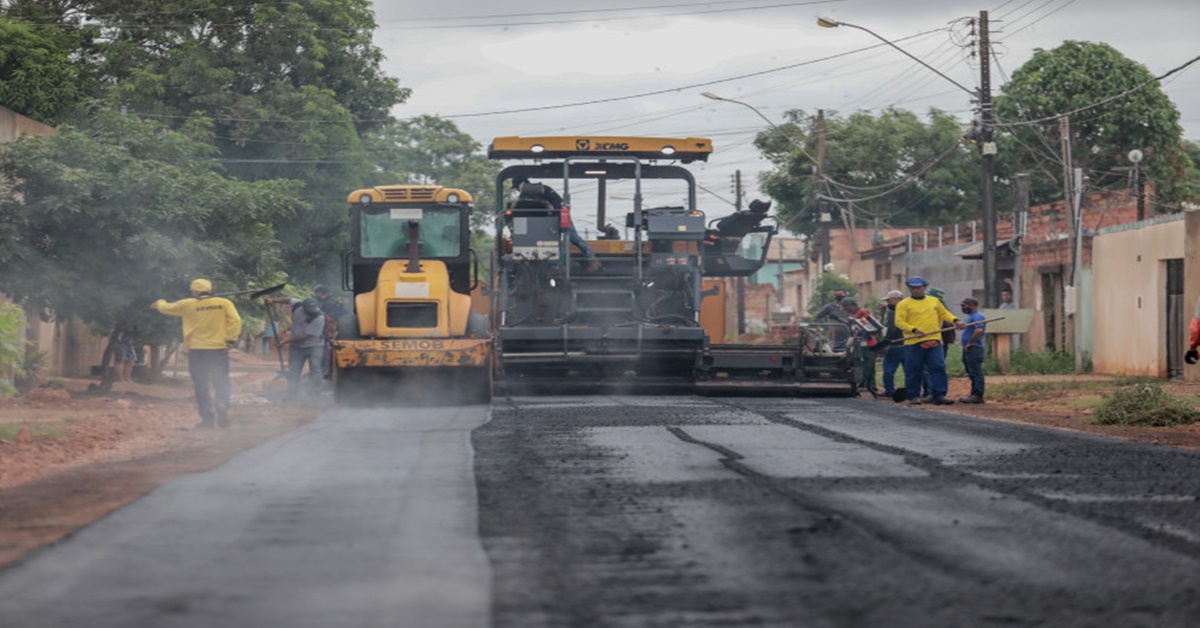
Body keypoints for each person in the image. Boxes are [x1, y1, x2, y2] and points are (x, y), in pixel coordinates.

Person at [151, 278, 242, 429]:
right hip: (218, 350)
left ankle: (207, 420)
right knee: (221, 381)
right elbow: (236, 321)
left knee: (201, 385)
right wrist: (230, 340)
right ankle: (222, 404)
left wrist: (159, 302)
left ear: (195, 291)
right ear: (210, 290)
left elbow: (167, 308)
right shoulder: (224, 303)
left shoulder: (187, 304)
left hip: (197, 350)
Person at [894, 276, 965, 406]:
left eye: (918, 288)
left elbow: (945, 314)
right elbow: (899, 322)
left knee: (938, 367)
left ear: (924, 287)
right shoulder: (903, 304)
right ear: (909, 289)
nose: (916, 290)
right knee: (914, 370)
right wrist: (914, 330)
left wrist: (956, 321)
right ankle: (914, 395)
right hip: (913, 342)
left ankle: (939, 395)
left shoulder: (934, 301)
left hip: (934, 340)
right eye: (913, 288)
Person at [513, 175, 601, 272]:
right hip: (547, 222)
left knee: (573, 238)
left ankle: (590, 258)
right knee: (558, 244)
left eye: (517, 187)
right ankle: (558, 267)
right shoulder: (524, 198)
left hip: (558, 218)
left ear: (521, 185)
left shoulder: (544, 190)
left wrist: (553, 209)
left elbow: (557, 202)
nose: (517, 190)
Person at [279, 298, 326, 399]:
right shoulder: (298, 305)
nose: (310, 312)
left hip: (314, 346)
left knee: (315, 370)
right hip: (297, 347)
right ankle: (292, 394)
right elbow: (288, 299)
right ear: (303, 307)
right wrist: (272, 300)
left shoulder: (319, 317)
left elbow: (304, 336)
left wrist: (285, 341)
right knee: (294, 370)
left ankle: (314, 395)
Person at [840, 297, 882, 397]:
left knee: (868, 364)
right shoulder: (852, 315)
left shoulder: (862, 313)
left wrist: (864, 336)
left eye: (846, 307)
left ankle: (869, 384)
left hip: (868, 343)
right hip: (858, 342)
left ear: (852, 305)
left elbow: (868, 327)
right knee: (862, 363)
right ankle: (866, 383)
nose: (845, 309)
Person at [958, 297, 987, 403]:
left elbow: (978, 330)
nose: (963, 308)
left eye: (964, 306)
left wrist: (970, 343)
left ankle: (978, 394)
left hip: (974, 348)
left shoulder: (978, 316)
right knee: (971, 371)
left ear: (971, 305)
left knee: (976, 372)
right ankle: (974, 393)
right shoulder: (971, 317)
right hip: (968, 348)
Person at [879, 290, 907, 399]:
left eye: (889, 300)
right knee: (909, 369)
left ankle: (889, 390)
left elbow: (892, 328)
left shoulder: (893, 312)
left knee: (889, 368)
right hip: (908, 343)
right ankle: (912, 390)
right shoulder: (907, 308)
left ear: (895, 299)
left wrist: (887, 341)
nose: (888, 303)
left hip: (895, 344)